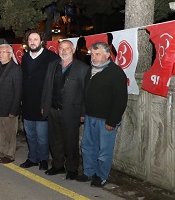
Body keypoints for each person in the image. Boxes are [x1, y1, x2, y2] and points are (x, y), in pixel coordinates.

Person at [77, 42, 128, 187]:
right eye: (92, 54)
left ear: (107, 55)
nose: (93, 57)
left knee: (104, 151)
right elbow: (85, 94)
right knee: (87, 146)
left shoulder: (116, 72)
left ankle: (101, 176)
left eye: (97, 54)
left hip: (106, 120)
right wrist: (83, 112)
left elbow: (120, 99)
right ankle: (88, 172)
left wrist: (112, 120)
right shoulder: (90, 70)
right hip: (89, 116)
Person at [41, 40, 90, 179]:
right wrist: (43, 106)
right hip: (53, 109)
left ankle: (72, 169)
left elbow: (86, 93)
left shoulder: (82, 68)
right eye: (61, 48)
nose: (64, 51)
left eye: (67, 48)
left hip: (71, 112)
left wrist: (83, 112)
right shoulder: (52, 65)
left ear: (73, 50)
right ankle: (57, 166)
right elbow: (46, 86)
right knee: (55, 140)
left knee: (71, 142)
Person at [20, 30, 59, 170]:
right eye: (30, 39)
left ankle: (43, 159)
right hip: (27, 103)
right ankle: (32, 158)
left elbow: (55, 83)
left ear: (42, 41)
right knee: (30, 134)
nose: (32, 42)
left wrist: (49, 103)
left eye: (35, 39)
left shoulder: (52, 57)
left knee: (42, 136)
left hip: (43, 103)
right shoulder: (25, 57)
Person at [0, 45, 22, 164]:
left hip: (9, 108)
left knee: (9, 133)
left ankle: (9, 155)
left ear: (10, 55)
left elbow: (18, 92)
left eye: (3, 52)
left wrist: (14, 110)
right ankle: (0, 152)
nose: (0, 54)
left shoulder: (16, 69)